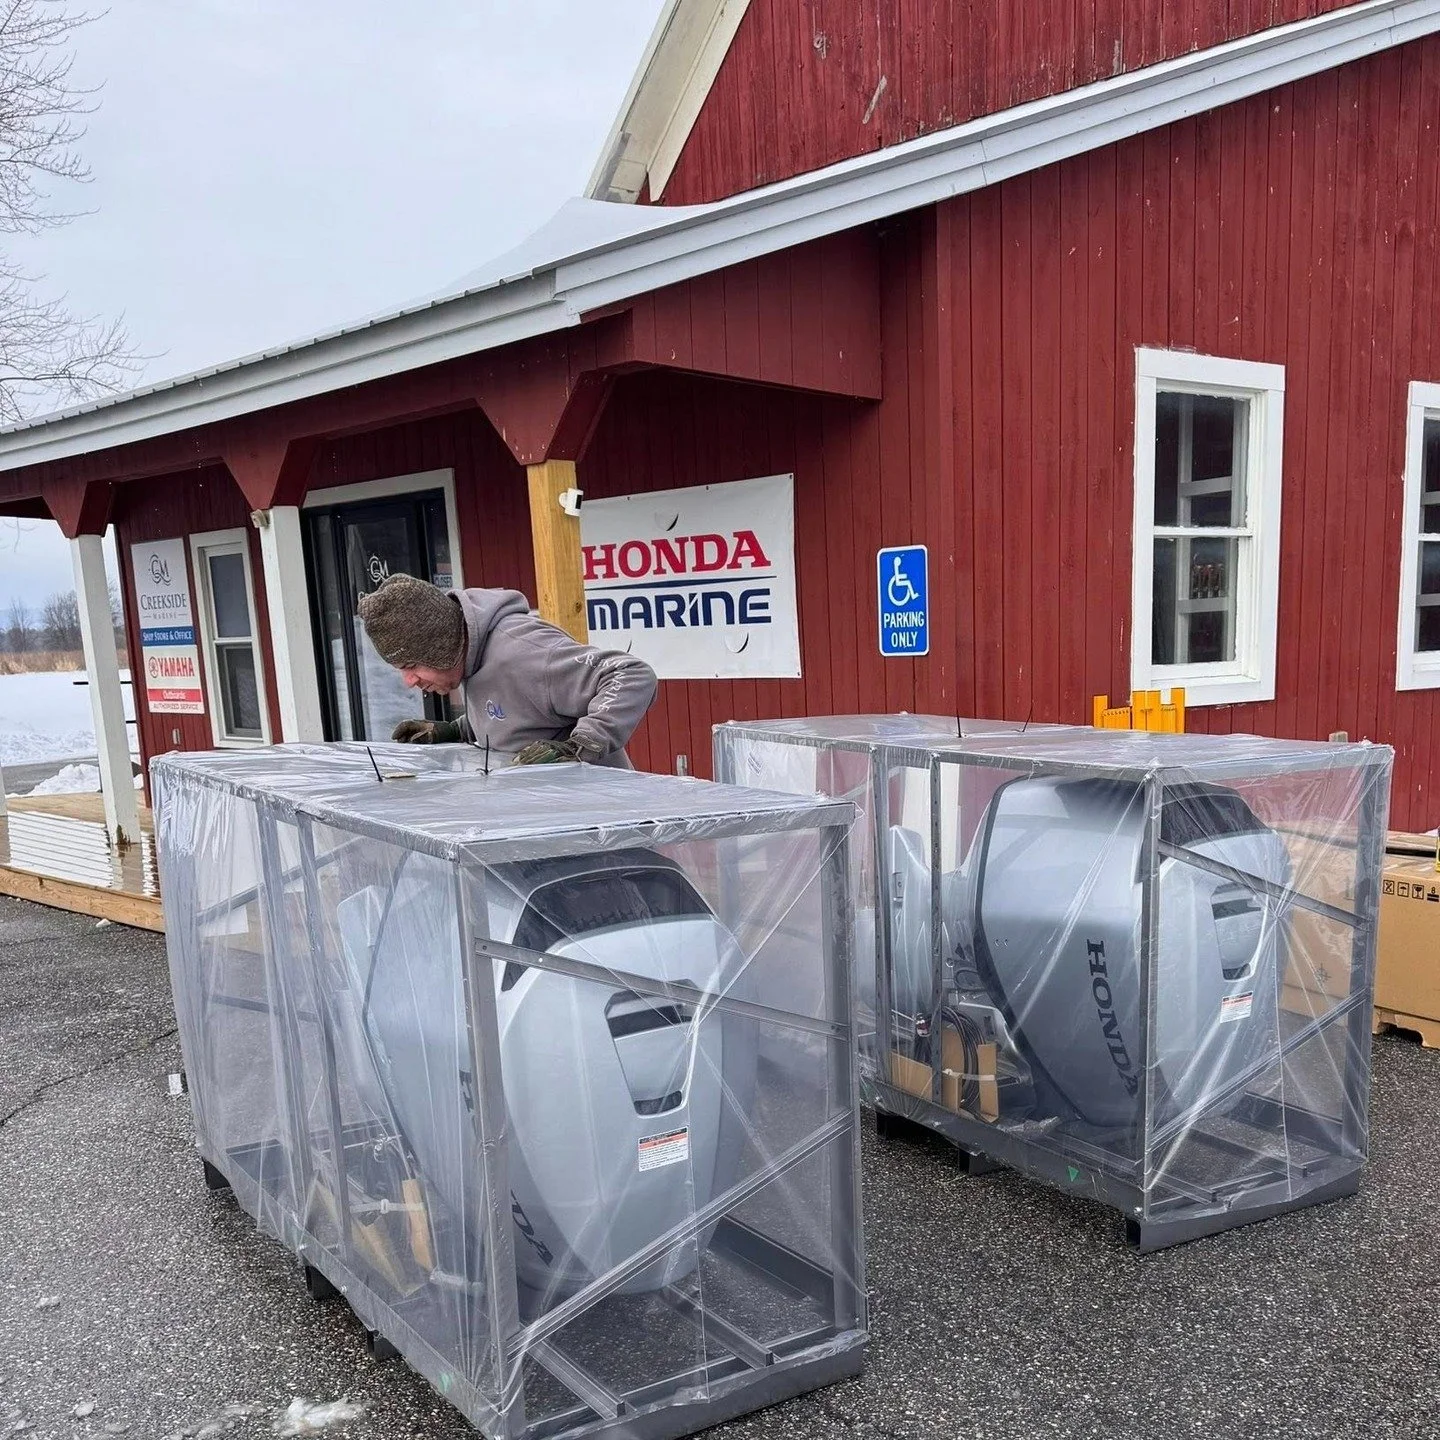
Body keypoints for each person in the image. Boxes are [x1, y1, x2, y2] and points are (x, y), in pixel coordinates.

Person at [356, 574, 657, 768]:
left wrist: (580, 745)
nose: (409, 681)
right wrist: (455, 730)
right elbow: (519, 714)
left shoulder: (525, 652)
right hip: (546, 826)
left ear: (439, 646)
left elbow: (630, 674)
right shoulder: (471, 659)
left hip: (600, 833)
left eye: (410, 666)